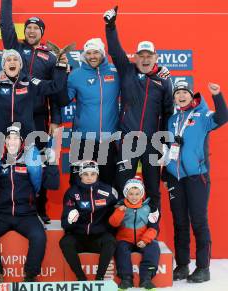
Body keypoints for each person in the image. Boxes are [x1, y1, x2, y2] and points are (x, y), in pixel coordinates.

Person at [0, 0, 66, 222]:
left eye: (36, 28)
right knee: (7, 159)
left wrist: (56, 119)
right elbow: (5, 25)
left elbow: (55, 92)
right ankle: (4, 207)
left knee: (39, 161)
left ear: (42, 32)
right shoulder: (15, 48)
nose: (31, 30)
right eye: (28, 27)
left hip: (38, 117)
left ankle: (40, 208)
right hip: (13, 114)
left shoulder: (51, 56)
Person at [103, 6, 174, 210]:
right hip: (128, 140)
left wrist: (166, 142)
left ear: (155, 57)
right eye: (141, 55)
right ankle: (123, 234)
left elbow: (168, 112)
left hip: (152, 142)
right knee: (122, 183)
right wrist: (110, 26)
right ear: (135, 57)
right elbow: (115, 50)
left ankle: (151, 232)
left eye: (148, 56)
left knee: (152, 188)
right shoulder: (127, 71)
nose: (144, 59)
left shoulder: (163, 81)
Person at [163, 81, 228, 283]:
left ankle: (203, 268)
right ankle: (182, 265)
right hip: (175, 176)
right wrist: (166, 174)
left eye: (185, 92)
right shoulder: (172, 120)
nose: (181, 96)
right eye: (178, 93)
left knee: (198, 221)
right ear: (174, 98)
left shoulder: (203, 115)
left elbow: (223, 117)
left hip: (196, 176)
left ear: (192, 96)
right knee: (179, 221)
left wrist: (217, 96)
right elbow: (167, 148)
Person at [0, 48, 68, 143]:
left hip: (26, 138)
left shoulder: (30, 82)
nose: (12, 62)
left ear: (20, 65)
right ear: (3, 66)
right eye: (8, 60)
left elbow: (55, 86)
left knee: (34, 168)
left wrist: (61, 66)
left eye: (15, 59)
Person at [0, 124, 44, 282]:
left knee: (39, 236)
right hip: (1, 214)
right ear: (5, 142)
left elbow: (39, 186)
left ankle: (30, 275)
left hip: (26, 214)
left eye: (16, 138)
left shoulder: (30, 161)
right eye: (9, 138)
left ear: (21, 142)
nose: (12, 141)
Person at [65, 38, 120, 186]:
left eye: (96, 52)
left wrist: (159, 71)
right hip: (83, 138)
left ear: (102, 53)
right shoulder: (76, 75)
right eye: (88, 53)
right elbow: (63, 99)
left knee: (107, 184)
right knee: (78, 183)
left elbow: (136, 79)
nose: (92, 56)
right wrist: (59, 74)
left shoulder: (115, 73)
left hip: (108, 139)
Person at [59, 160, 117, 281]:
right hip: (79, 236)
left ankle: (99, 278)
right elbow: (65, 224)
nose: (89, 177)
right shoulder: (72, 193)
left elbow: (116, 216)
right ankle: (81, 278)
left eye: (93, 174)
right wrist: (70, 221)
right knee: (65, 242)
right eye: (86, 174)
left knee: (111, 241)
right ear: (80, 175)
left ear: (97, 175)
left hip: (98, 237)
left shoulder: (108, 192)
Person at [109, 177, 160, 290]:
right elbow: (113, 223)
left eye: (137, 194)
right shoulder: (120, 206)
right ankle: (126, 279)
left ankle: (146, 279)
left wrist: (145, 240)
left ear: (142, 194)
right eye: (131, 194)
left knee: (154, 247)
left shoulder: (148, 208)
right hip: (125, 240)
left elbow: (153, 228)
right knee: (121, 248)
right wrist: (119, 212)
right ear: (126, 194)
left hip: (143, 239)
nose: (134, 197)